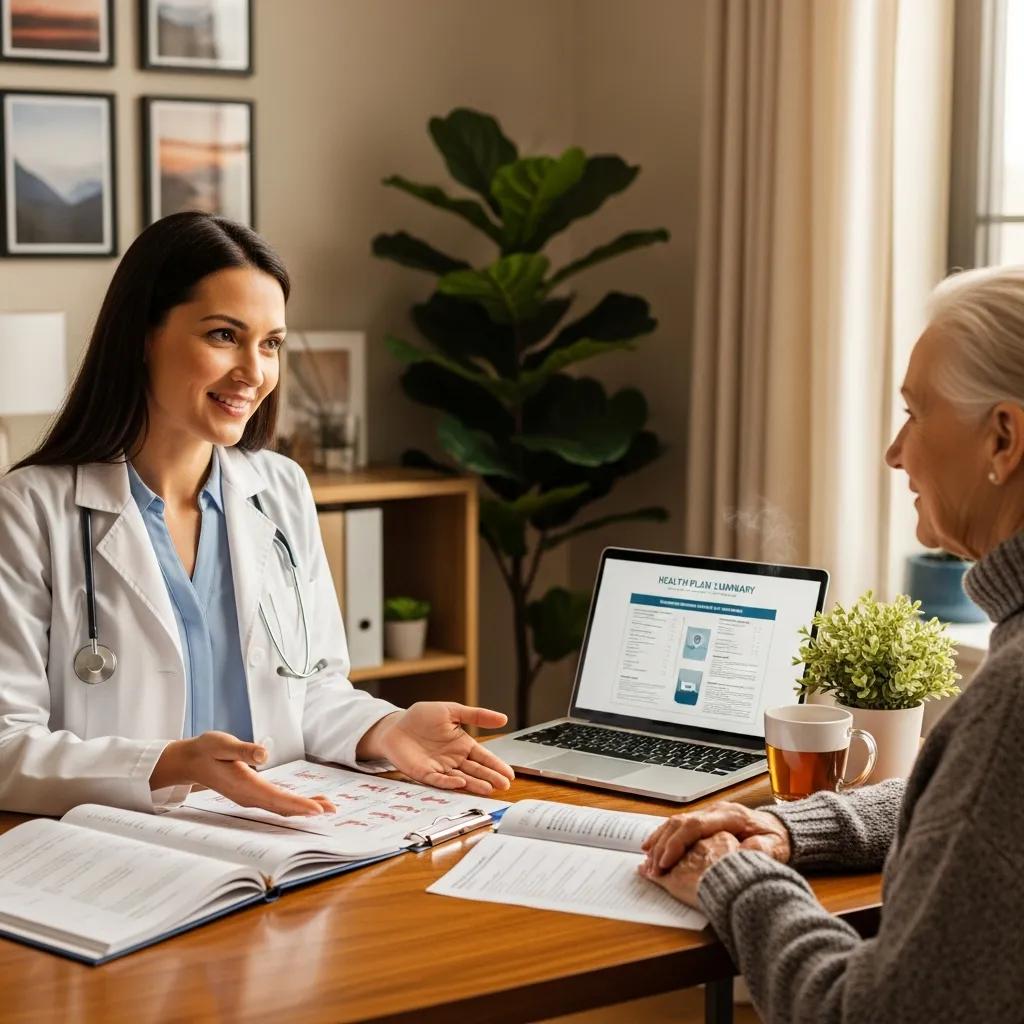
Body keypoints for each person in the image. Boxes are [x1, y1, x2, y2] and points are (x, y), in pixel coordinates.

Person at [0, 212, 514, 818]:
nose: (254, 372)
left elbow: (313, 690)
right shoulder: (31, 510)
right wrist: (168, 764)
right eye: (223, 335)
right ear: (144, 333)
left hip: (273, 838)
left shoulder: (281, 488)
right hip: (119, 848)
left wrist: (388, 727)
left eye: (271, 343)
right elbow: (7, 746)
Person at [638, 265, 1024, 1021]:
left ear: (1004, 439)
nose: (894, 451)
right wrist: (788, 825)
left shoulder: (1012, 701)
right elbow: (974, 812)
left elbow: (863, 1015)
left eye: (916, 412)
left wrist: (736, 877)